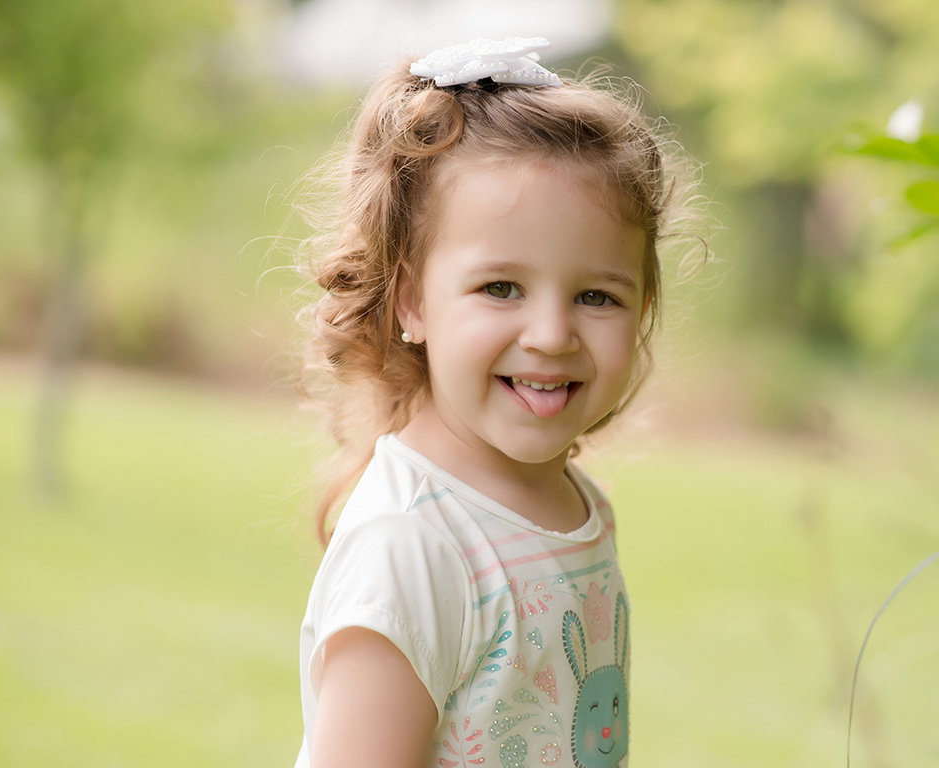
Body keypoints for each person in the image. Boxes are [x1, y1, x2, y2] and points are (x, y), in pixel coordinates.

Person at [293, 37, 703, 768]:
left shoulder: (577, 507)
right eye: (501, 288)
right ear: (412, 300)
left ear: (641, 309)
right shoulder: (413, 547)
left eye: (596, 296)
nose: (550, 335)